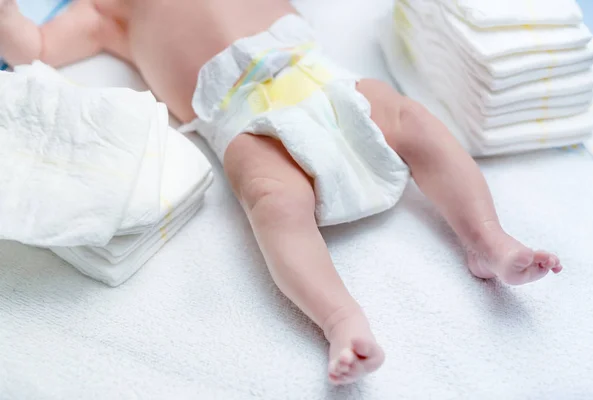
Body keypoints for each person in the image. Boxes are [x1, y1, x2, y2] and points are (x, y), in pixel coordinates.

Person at [0, 0, 562, 385]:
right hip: (241, 118)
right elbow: (33, 46)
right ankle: (340, 318)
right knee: (273, 200)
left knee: (414, 122)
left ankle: (488, 240)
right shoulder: (105, 13)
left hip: (322, 75)